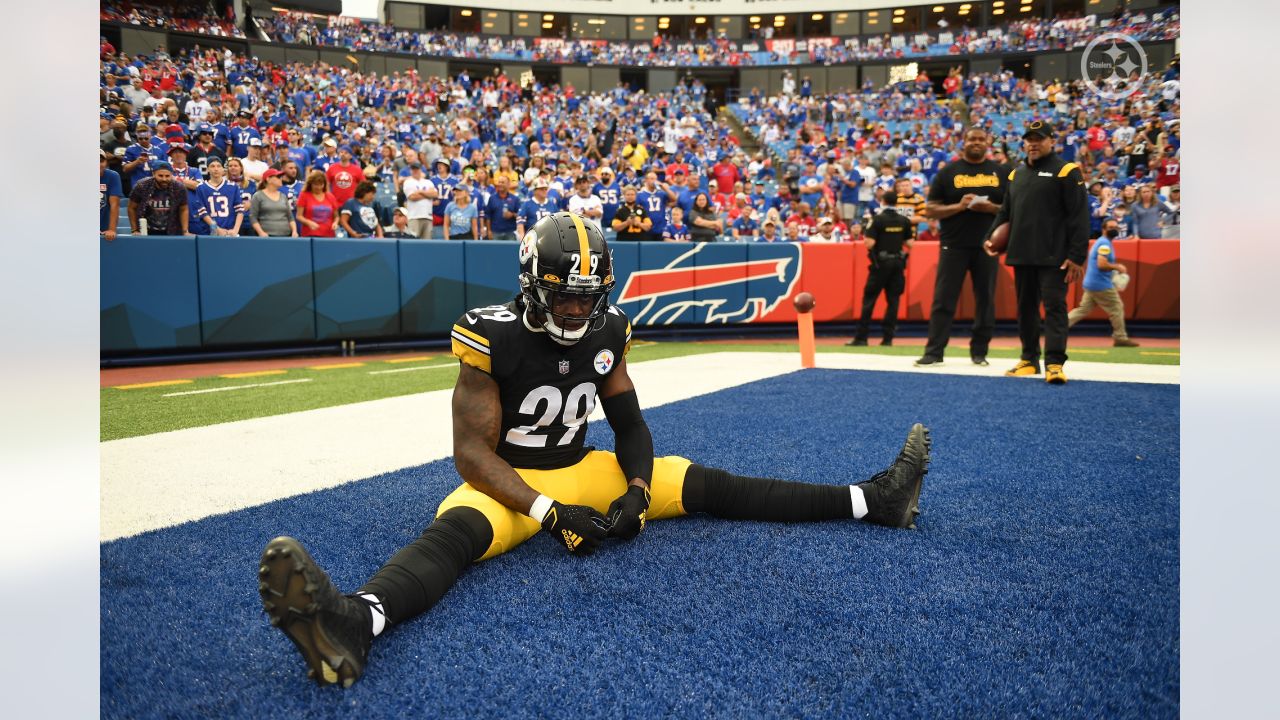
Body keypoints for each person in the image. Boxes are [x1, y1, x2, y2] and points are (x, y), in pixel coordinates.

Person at [256, 213, 934, 688]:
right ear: (531, 285)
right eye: (562, 296)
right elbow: (471, 456)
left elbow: (631, 426)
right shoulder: (491, 336)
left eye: (587, 297)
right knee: (453, 538)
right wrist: (549, 513)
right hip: (512, 482)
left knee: (713, 485)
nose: (577, 311)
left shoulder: (610, 327)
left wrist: (637, 493)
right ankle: (354, 622)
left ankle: (874, 501)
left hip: (588, 468)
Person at [984, 120, 1088, 385]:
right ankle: (1029, 359)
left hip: (1055, 256)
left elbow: (1079, 216)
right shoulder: (1015, 174)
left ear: (1052, 141)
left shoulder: (1067, 171)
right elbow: (1006, 212)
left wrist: (1077, 256)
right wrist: (992, 239)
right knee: (1025, 308)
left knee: (1055, 308)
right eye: (1029, 139)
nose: (1033, 143)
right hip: (1021, 253)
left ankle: (1054, 363)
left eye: (1039, 139)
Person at [916, 128, 1006, 368]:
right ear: (962, 143)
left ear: (987, 143)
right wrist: (959, 206)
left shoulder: (1001, 171)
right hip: (953, 244)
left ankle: (980, 352)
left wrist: (990, 208)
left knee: (985, 300)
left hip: (987, 245)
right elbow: (930, 210)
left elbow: (1011, 207)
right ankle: (934, 352)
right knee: (943, 299)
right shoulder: (948, 172)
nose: (976, 143)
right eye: (971, 139)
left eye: (980, 139)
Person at [849, 191, 913, 347]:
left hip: (881, 265)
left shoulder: (877, 220)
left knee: (869, 300)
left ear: (883, 201)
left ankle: (862, 338)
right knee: (893, 301)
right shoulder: (903, 220)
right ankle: (888, 338)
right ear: (897, 203)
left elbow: (869, 244)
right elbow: (910, 243)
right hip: (898, 264)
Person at [1067, 219, 1140, 347]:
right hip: (1101, 285)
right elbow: (1101, 264)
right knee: (1117, 308)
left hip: (1092, 283)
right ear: (1103, 229)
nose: (1114, 229)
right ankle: (1120, 338)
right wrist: (1118, 267)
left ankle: (1058, 327)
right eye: (1111, 227)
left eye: (1116, 227)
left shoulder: (1102, 242)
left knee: (1083, 310)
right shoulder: (1105, 244)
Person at [128, 163, 188, 236]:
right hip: (147, 230)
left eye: (167, 176)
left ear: (172, 175)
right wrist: (134, 230)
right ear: (153, 174)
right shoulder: (142, 185)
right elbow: (131, 207)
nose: (164, 179)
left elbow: (184, 209)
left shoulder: (179, 187)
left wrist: (185, 231)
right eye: (160, 176)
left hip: (172, 230)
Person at [192, 158, 246, 236]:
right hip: (209, 232)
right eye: (212, 166)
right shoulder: (201, 187)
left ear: (223, 169)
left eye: (218, 166)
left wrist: (235, 230)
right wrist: (216, 229)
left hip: (229, 231)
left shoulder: (233, 186)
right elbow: (202, 211)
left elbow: (240, 210)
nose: (216, 169)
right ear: (207, 169)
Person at [250, 168, 298, 237]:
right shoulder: (258, 196)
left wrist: (294, 231)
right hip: (267, 236)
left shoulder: (283, 196)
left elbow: (290, 217)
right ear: (268, 179)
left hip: (286, 235)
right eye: (278, 177)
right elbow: (253, 217)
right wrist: (261, 232)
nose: (281, 179)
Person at [296, 171, 339, 238]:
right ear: (310, 184)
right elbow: (299, 216)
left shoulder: (330, 197)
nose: (318, 187)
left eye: (321, 184)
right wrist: (309, 223)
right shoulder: (304, 195)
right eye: (315, 184)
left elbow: (336, 216)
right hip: (310, 234)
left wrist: (335, 223)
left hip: (328, 235)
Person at [402, 164, 437, 239]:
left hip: (428, 216)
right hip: (414, 216)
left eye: (417, 169)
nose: (415, 171)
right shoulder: (408, 182)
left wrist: (420, 191)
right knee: (414, 242)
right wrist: (427, 194)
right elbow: (412, 197)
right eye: (413, 169)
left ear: (420, 170)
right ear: (410, 171)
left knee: (427, 242)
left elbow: (435, 194)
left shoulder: (428, 182)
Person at [484, 175, 520, 240]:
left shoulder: (515, 199)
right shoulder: (492, 198)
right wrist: (489, 231)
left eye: (503, 182)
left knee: (510, 250)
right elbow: (488, 216)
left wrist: (512, 214)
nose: (500, 184)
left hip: (510, 232)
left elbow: (520, 216)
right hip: (495, 232)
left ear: (508, 184)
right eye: (499, 182)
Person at [100, 151, 123, 241]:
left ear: (106, 163)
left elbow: (115, 204)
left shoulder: (112, 176)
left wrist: (112, 229)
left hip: (103, 229)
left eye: (101, 161)